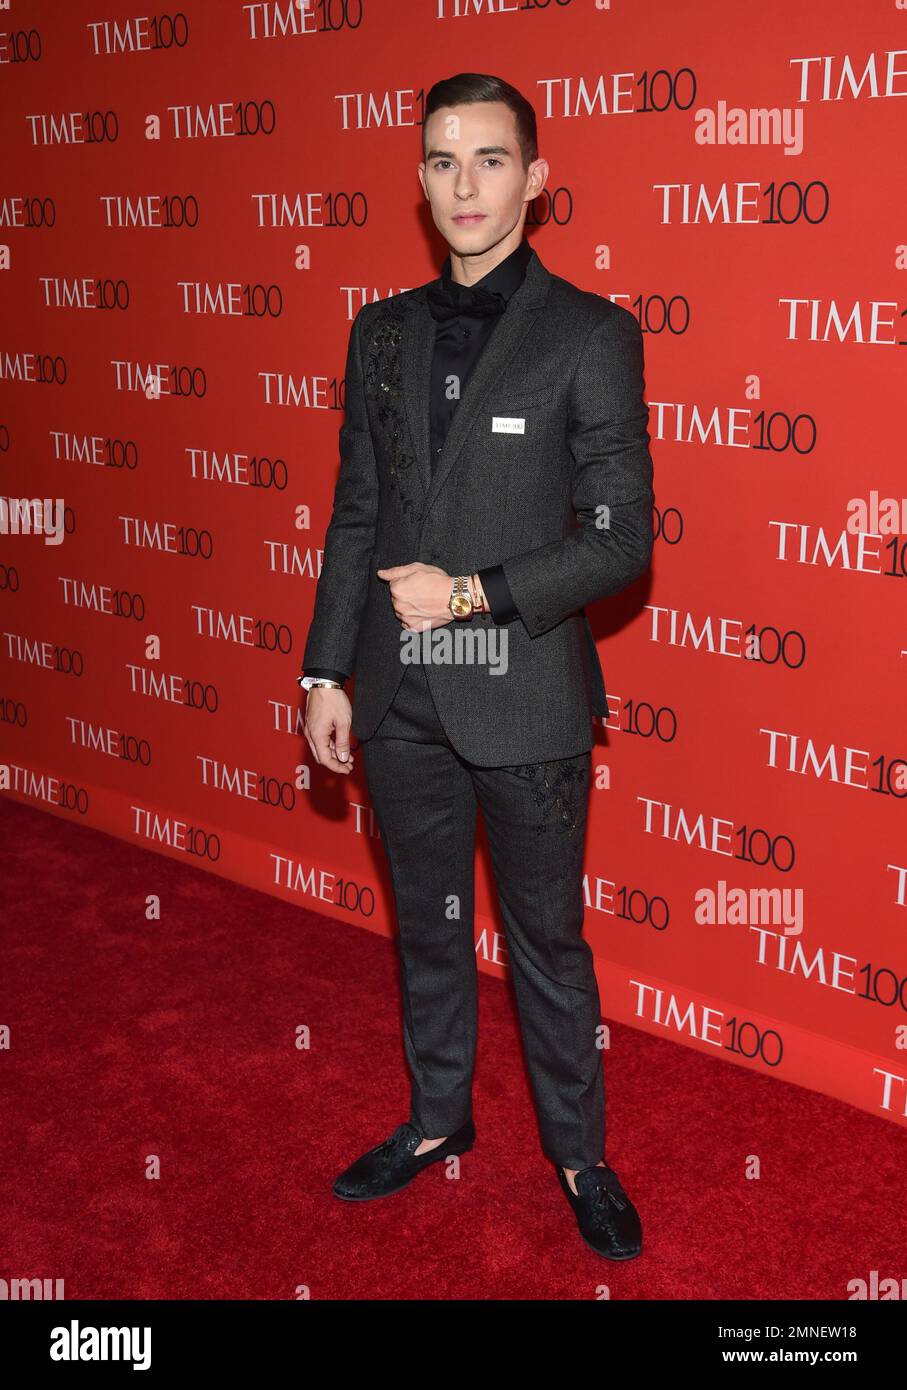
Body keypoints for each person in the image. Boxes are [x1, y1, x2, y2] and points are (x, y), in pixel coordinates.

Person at [300, 71, 654, 1260]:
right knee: (430, 928)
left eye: (491, 159)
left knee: (548, 943)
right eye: (443, 160)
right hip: (397, 692)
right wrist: (322, 675)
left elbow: (618, 538)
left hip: (526, 692)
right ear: (418, 179)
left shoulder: (592, 334)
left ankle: (579, 1154)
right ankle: (436, 1119)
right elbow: (358, 513)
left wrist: (471, 594)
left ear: (535, 179)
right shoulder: (381, 330)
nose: (465, 184)